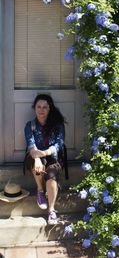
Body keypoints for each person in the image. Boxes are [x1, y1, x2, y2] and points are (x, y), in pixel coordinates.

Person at [24, 94, 65, 225]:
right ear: (34, 108)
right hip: (34, 156)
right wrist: (37, 158)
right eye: (38, 107)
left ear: (49, 109)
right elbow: (31, 146)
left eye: (45, 107)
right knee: (37, 164)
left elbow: (58, 144)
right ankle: (40, 190)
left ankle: (52, 210)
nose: (41, 110)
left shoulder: (58, 125)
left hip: (53, 157)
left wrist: (45, 153)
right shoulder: (30, 126)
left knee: (51, 175)